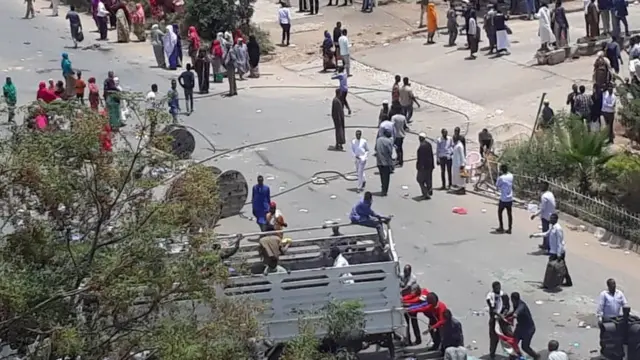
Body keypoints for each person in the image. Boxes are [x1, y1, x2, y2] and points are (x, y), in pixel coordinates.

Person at [529, 213, 573, 289]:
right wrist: (535, 235)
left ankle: (546, 284)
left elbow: (559, 242)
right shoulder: (552, 227)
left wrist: (559, 254)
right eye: (550, 218)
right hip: (554, 251)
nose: (550, 219)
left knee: (550, 267)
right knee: (563, 267)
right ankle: (568, 282)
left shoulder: (558, 229)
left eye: (552, 218)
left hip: (556, 252)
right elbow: (546, 234)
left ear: (556, 219)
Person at [504, 292, 539, 360]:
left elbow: (515, 314)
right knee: (513, 343)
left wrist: (509, 319)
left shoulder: (521, 306)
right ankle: (515, 356)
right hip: (520, 327)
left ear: (513, 299)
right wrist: (505, 316)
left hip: (528, 329)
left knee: (525, 347)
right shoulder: (516, 304)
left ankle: (536, 356)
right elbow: (514, 311)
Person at [487, 281, 511, 358]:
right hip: (494, 320)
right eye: (496, 288)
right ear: (493, 288)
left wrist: (504, 315)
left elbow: (507, 306)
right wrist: (499, 315)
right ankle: (492, 354)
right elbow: (492, 309)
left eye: (499, 287)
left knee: (508, 337)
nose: (498, 289)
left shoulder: (504, 295)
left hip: (503, 320)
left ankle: (512, 354)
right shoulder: (490, 297)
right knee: (494, 339)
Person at [531, 182, 556, 251]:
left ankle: (548, 247)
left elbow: (542, 208)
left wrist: (535, 215)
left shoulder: (544, 196)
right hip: (552, 215)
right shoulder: (550, 194)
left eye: (542, 186)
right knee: (547, 231)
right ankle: (545, 244)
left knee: (546, 231)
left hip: (546, 216)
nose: (540, 187)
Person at [495, 164, 514, 234]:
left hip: (503, 198)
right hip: (510, 198)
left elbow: (497, 185)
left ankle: (501, 226)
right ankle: (510, 228)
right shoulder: (511, 176)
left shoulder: (501, 178)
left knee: (500, 212)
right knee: (509, 214)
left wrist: (499, 175)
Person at [375, 129, 394, 196]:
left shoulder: (379, 140)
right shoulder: (389, 141)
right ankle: (385, 190)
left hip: (379, 161)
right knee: (386, 177)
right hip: (386, 162)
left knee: (382, 176)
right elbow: (390, 152)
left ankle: (383, 187)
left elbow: (376, 148)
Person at [416, 132, 435, 199]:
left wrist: (419, 167)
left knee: (419, 179)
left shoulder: (421, 147)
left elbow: (420, 159)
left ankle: (425, 193)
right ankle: (429, 190)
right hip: (430, 166)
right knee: (428, 179)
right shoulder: (428, 144)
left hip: (423, 167)